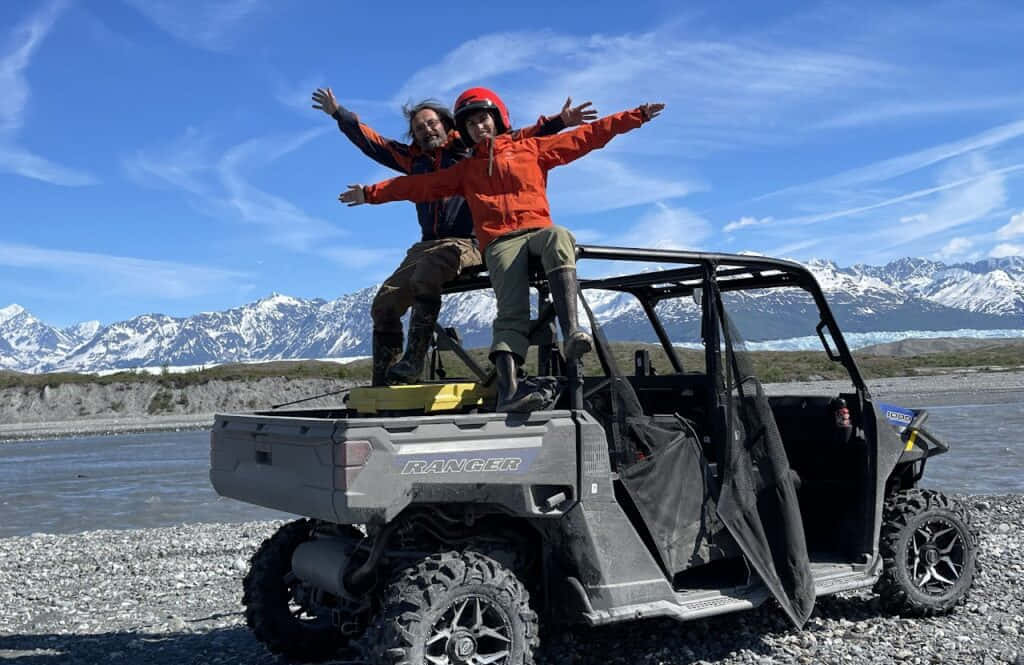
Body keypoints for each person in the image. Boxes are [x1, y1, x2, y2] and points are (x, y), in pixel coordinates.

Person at [340, 88, 665, 411]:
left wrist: (634, 116)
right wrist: (370, 192)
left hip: (518, 233)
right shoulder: (459, 167)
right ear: (463, 131)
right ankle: (478, 387)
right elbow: (416, 185)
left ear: (495, 120)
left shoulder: (529, 148)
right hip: (493, 240)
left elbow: (587, 136)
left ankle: (573, 332)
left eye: (483, 120)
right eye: (472, 125)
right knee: (498, 310)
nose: (479, 128)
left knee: (559, 236)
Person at [312, 87, 597, 386]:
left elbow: (519, 136)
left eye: (431, 123)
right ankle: (385, 385)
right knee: (384, 305)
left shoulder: (470, 147)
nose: (426, 130)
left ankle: (414, 359)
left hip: (469, 241)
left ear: (447, 124)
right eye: (419, 128)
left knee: (428, 271)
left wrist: (561, 121)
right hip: (426, 244)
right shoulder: (413, 159)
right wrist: (339, 114)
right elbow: (374, 144)